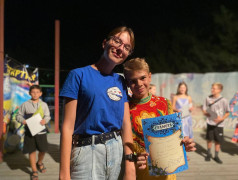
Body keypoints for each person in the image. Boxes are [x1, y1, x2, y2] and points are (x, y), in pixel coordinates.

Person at [59, 26, 136, 180]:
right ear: (104, 43)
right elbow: (67, 127)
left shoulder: (120, 81)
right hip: (87, 152)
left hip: (116, 150)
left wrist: (130, 165)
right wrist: (64, 173)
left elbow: (126, 124)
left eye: (126, 47)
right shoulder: (78, 75)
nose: (120, 48)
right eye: (117, 41)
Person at [123, 58, 196, 180]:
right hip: (142, 173)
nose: (139, 84)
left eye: (142, 78)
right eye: (133, 81)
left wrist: (183, 146)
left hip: (168, 173)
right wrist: (135, 157)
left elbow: (172, 136)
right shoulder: (124, 108)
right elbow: (124, 145)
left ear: (150, 77)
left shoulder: (164, 103)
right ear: (127, 83)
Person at [16, 85, 51, 180]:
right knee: (31, 151)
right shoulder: (25, 104)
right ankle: (34, 170)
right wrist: (22, 120)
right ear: (29, 93)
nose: (35, 94)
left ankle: (39, 162)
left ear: (40, 93)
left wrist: (45, 120)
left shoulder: (43, 105)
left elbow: (48, 116)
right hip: (29, 132)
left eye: (37, 92)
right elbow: (18, 116)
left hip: (41, 131)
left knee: (43, 150)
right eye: (33, 92)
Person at [203, 82, 230, 164]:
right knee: (209, 139)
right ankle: (208, 153)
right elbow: (204, 110)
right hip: (210, 123)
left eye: (214, 88)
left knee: (218, 140)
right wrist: (210, 115)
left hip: (219, 124)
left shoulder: (224, 100)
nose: (212, 90)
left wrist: (221, 119)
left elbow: (228, 112)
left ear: (219, 90)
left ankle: (216, 156)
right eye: (212, 88)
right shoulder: (208, 98)